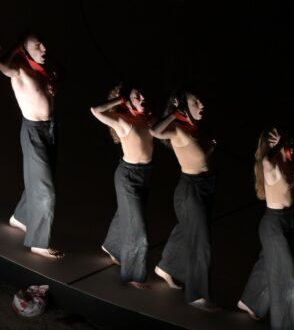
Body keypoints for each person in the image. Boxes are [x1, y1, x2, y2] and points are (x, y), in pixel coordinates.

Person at [0, 33, 63, 259]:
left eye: (44, 44)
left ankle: (20, 218)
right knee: (45, 190)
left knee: (41, 179)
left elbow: (60, 72)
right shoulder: (19, 68)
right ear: (24, 49)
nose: (44, 49)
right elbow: (0, 64)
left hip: (50, 128)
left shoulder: (44, 68)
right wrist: (17, 46)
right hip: (34, 130)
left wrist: (55, 83)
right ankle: (38, 243)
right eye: (37, 46)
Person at [150, 92, 218, 311]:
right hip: (190, 190)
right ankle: (197, 296)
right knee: (201, 244)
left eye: (201, 99)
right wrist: (173, 115)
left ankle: (166, 267)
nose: (202, 104)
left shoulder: (196, 128)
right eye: (195, 101)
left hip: (205, 188)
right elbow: (155, 131)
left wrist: (210, 146)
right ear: (182, 106)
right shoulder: (177, 129)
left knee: (185, 229)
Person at [91, 83, 154, 287]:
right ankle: (133, 275)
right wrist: (120, 99)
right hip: (128, 176)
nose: (142, 99)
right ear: (127, 100)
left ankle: (112, 246)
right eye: (136, 96)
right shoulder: (122, 120)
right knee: (137, 228)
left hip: (145, 174)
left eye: (143, 95)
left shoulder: (146, 118)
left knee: (126, 213)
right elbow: (96, 110)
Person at [238, 129, 294, 329]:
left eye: (287, 139)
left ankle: (250, 302)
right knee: (286, 276)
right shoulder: (270, 166)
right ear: (272, 144)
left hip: (285, 221)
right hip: (273, 225)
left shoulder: (286, 162)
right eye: (281, 140)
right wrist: (279, 145)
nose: (288, 142)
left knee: (267, 265)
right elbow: (265, 161)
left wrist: (283, 147)